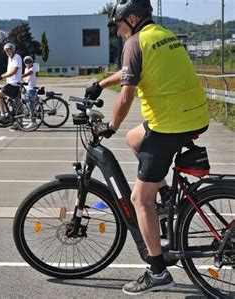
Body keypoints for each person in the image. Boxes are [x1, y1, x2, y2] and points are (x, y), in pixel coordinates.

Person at [84, 0, 209, 295]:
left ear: (132, 18)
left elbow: (126, 96)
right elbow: (131, 71)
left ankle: (157, 272)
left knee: (140, 200)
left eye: (118, 24)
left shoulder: (135, 42)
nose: (116, 31)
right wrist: (101, 84)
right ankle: (167, 197)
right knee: (134, 138)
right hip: (194, 116)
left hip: (169, 125)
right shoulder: (162, 34)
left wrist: (110, 127)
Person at [0, 43, 22, 127]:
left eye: (8, 50)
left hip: (13, 84)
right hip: (12, 83)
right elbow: (8, 71)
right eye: (6, 51)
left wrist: (2, 76)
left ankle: (3, 115)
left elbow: (14, 71)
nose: (7, 52)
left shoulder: (17, 57)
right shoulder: (9, 59)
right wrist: (1, 76)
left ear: (13, 50)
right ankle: (19, 124)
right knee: (17, 105)